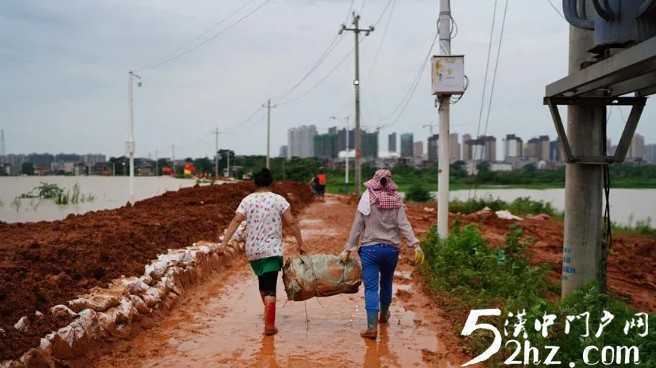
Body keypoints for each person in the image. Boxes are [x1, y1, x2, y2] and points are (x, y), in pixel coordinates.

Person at [340, 169, 423, 339]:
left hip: (370, 250)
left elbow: (357, 226)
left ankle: (371, 328)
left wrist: (349, 248)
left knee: (371, 288)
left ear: (374, 181)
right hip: (391, 250)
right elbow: (404, 225)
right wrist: (415, 245)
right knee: (386, 283)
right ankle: (383, 316)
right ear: (389, 181)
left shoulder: (366, 198)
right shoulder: (396, 199)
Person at [222, 168, 305, 336]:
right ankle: (269, 326)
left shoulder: (247, 200)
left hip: (253, 251)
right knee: (270, 289)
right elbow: (291, 222)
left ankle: (268, 315)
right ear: (271, 182)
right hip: (272, 250)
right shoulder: (279, 200)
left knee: (263, 285)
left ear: (255, 183)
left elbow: (236, 220)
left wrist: (224, 242)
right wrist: (300, 242)